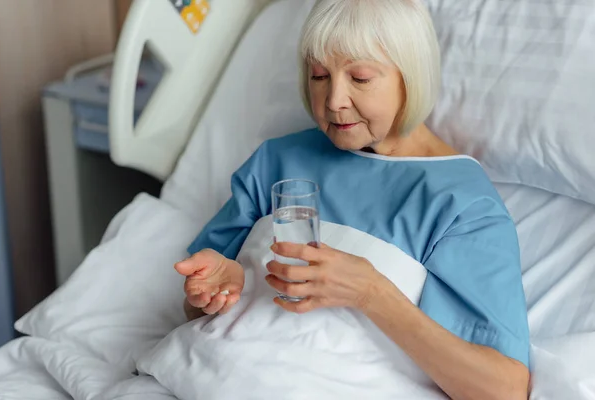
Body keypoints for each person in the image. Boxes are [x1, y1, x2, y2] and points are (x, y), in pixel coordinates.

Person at [174, 0, 530, 398]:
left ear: (409, 80)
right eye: (320, 75)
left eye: (360, 78)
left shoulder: (462, 204)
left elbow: (504, 390)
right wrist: (214, 292)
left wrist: (370, 293)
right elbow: (195, 309)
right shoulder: (277, 161)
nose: (333, 100)